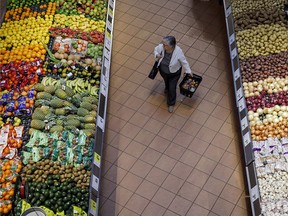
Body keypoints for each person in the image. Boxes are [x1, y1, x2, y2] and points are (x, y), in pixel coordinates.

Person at [154, 36, 192, 113]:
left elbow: (184, 62)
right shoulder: (161, 47)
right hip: (163, 71)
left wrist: (188, 71)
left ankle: (171, 103)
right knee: (166, 81)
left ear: (171, 46)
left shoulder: (178, 52)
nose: (163, 45)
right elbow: (155, 50)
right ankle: (166, 88)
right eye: (163, 43)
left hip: (174, 73)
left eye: (165, 45)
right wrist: (157, 54)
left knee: (172, 87)